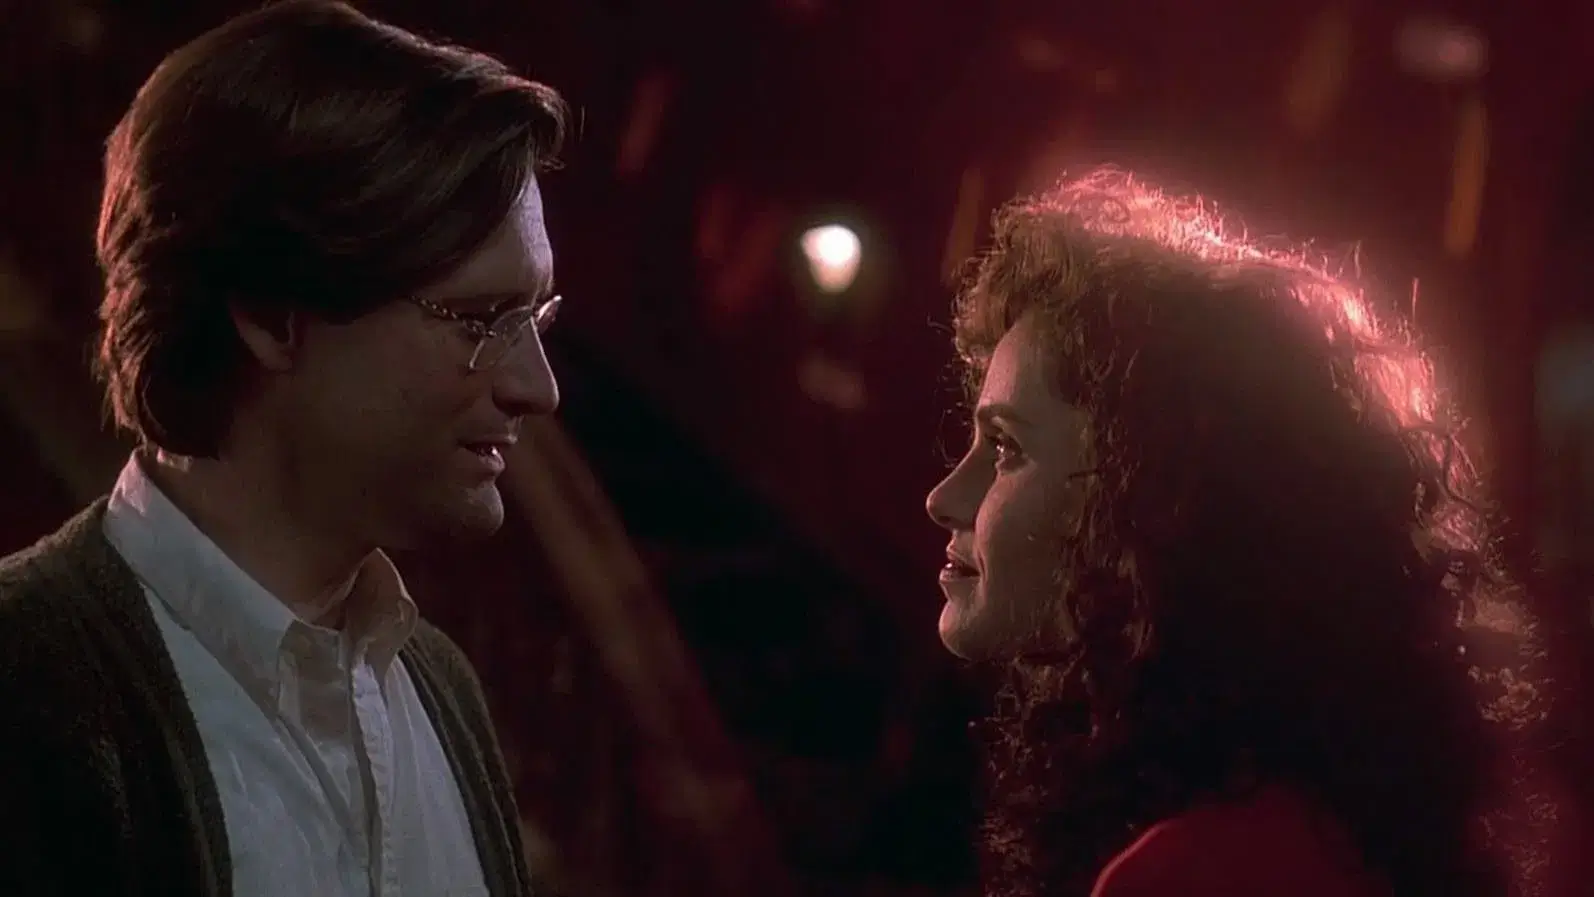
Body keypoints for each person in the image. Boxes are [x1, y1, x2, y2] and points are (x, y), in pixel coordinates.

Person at [0, 2, 569, 895]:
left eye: (534, 316)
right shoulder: (26, 681)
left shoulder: (440, 691)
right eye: (479, 318)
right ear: (271, 315)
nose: (538, 385)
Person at [925, 169, 1551, 897]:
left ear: (1153, 497)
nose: (943, 497)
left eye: (1007, 447)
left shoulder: (1199, 872)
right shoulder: (1309, 825)